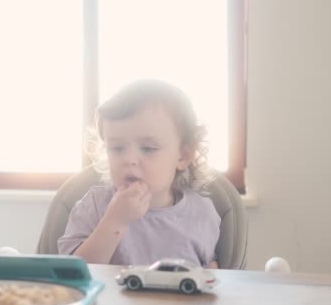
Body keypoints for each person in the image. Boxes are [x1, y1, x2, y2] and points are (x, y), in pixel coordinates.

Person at [57, 79, 220, 268]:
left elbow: (210, 269)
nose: (129, 159)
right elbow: (74, 272)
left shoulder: (202, 212)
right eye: (117, 148)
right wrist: (115, 220)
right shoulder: (94, 205)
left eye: (148, 148)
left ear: (183, 156)